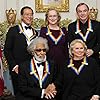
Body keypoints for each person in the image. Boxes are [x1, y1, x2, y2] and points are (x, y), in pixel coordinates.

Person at [4, 6, 38, 95]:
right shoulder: (13, 30)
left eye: (31, 15)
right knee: (20, 95)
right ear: (22, 16)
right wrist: (14, 66)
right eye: (27, 14)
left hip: (32, 69)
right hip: (18, 70)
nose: (29, 17)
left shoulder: (36, 33)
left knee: (32, 94)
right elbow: (7, 50)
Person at [40, 8, 69, 74]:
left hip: (62, 62)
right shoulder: (43, 30)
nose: (52, 18)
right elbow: (41, 48)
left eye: (54, 16)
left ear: (58, 17)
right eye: (50, 16)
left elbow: (66, 48)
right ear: (47, 18)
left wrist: (67, 62)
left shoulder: (64, 30)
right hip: (48, 63)